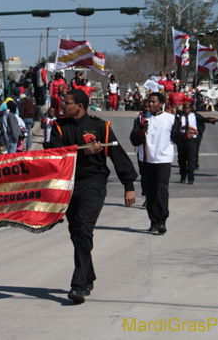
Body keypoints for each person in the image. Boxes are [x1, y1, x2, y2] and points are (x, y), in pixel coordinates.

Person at [47, 89, 137, 304]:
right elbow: (56, 156)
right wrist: (82, 152)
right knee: (76, 233)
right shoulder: (58, 126)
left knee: (83, 229)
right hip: (68, 185)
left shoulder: (100, 127)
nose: (62, 106)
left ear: (79, 105)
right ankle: (88, 275)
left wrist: (129, 185)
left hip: (93, 183)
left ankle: (77, 286)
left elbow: (117, 155)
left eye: (66, 103)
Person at [130, 92, 176, 234]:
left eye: (153, 102)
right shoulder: (141, 119)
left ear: (161, 104)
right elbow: (134, 140)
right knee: (150, 191)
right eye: (149, 101)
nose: (150, 104)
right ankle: (154, 221)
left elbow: (177, 137)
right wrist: (141, 132)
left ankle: (162, 220)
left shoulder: (171, 118)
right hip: (146, 160)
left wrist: (187, 136)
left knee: (161, 189)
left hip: (163, 160)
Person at [173, 103, 218, 185]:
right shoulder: (179, 117)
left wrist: (212, 120)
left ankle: (191, 177)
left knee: (191, 159)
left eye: (188, 108)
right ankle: (183, 176)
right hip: (182, 140)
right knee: (181, 159)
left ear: (190, 109)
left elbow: (203, 119)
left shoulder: (195, 116)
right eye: (185, 108)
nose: (186, 110)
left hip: (192, 140)